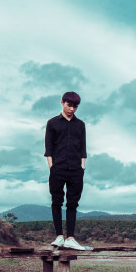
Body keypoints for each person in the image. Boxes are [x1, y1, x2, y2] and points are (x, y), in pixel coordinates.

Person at [44, 91, 88, 250]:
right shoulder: (52, 123)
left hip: (76, 169)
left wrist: (82, 166)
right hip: (58, 168)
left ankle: (70, 238)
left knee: (72, 204)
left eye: (75, 106)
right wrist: (52, 166)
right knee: (56, 202)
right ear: (62, 102)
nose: (72, 109)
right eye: (69, 105)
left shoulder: (80, 125)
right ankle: (59, 237)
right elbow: (48, 147)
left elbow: (83, 147)